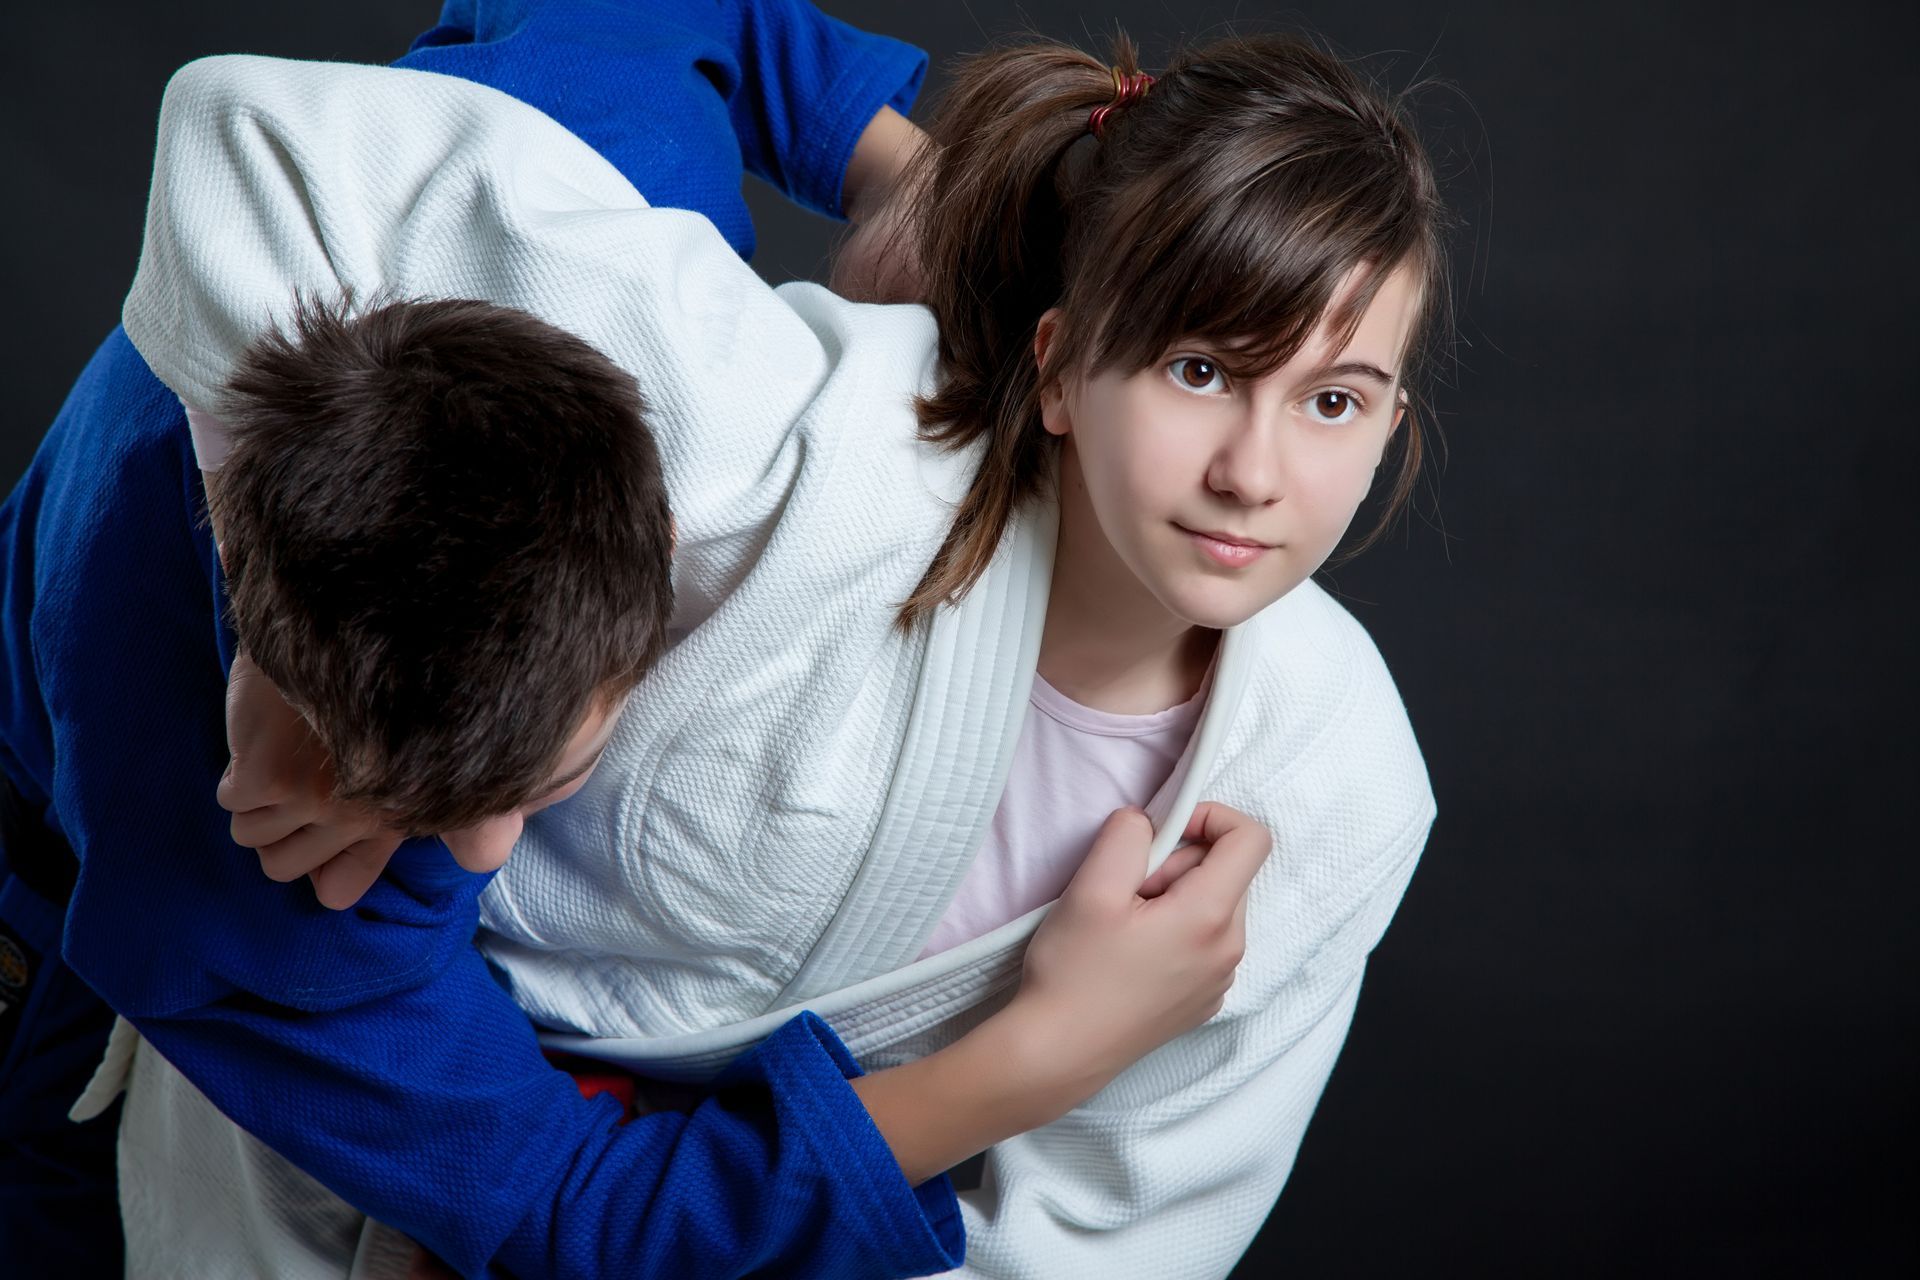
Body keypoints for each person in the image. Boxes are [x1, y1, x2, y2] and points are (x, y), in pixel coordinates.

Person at [132, 25, 1448, 1278]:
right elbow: (255, 139)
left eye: (1335, 402)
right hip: (340, 1120)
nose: (1254, 474)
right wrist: (292, 640)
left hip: (714, 1245)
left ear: (1391, 423)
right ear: (1058, 368)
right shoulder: (808, 440)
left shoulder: (1336, 785)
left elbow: (1086, 1250)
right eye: (1202, 372)